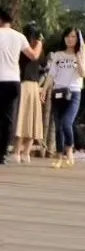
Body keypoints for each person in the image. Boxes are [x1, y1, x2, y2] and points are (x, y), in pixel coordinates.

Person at [0, 9, 43, 164]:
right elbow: (33, 56)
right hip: (13, 81)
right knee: (8, 118)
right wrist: (39, 44)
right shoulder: (19, 37)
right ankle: (2, 154)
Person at [42, 27, 85, 168]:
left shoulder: (81, 54)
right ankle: (59, 156)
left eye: (73, 36)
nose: (70, 39)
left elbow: (83, 74)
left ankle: (69, 151)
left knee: (66, 123)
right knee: (58, 126)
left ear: (78, 39)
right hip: (58, 92)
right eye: (67, 36)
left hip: (73, 92)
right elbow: (51, 75)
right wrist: (44, 89)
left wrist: (79, 59)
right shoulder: (58, 55)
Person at [13, 21, 45, 163]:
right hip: (26, 84)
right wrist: (39, 42)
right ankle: (18, 152)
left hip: (31, 84)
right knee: (25, 119)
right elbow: (35, 56)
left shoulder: (20, 45)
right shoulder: (28, 47)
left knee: (31, 120)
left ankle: (24, 152)